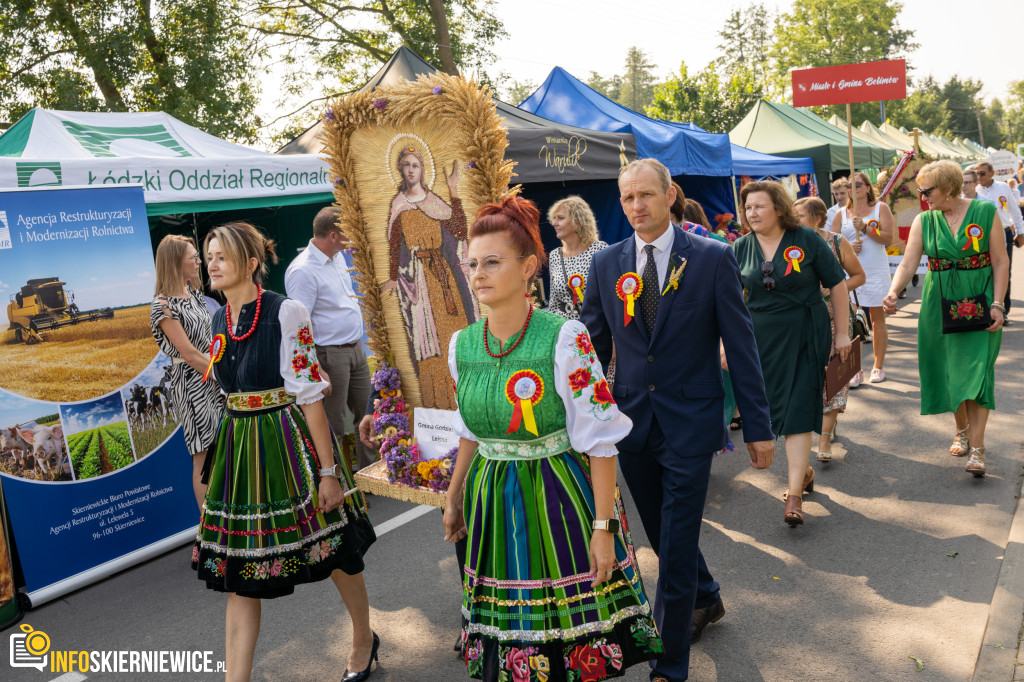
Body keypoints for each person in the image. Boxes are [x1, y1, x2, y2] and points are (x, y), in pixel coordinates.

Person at [443, 196, 662, 681]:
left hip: (557, 496)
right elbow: (469, 430)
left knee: (566, 639)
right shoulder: (462, 345)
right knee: (512, 639)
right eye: (472, 263)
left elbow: (600, 441)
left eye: (492, 262)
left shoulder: (565, 337)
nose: (478, 273)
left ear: (529, 268)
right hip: (490, 499)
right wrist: (454, 495)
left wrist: (603, 528)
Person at [582, 159, 775, 682]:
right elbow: (590, 349)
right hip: (632, 424)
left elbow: (742, 345)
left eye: (646, 195)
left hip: (691, 421)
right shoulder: (607, 264)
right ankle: (707, 596)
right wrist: (575, 418)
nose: (637, 206)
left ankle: (670, 666)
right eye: (627, 198)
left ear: (670, 196)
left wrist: (757, 427)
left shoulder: (712, 258)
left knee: (671, 548)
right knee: (666, 532)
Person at [194, 222, 377, 682]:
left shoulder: (285, 311)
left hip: (288, 440)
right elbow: (223, 383)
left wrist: (329, 472)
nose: (210, 264)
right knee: (240, 574)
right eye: (208, 256)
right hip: (239, 448)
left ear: (252, 264)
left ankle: (362, 638)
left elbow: (311, 397)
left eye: (221, 256)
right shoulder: (218, 318)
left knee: (334, 553)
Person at [735, 181, 851, 525]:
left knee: (799, 409)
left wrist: (842, 333)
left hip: (805, 333)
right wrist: (727, 344)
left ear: (779, 208)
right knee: (773, 411)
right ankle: (805, 471)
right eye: (748, 207)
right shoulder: (739, 248)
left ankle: (794, 495)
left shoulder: (808, 239)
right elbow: (728, 301)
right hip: (760, 340)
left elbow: (838, 283)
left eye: (759, 206)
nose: (752, 213)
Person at [884, 161, 1007, 476]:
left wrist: (997, 304)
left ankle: (977, 449)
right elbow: (908, 261)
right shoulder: (923, 221)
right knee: (950, 372)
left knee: (978, 374)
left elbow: (1000, 261)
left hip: (980, 300)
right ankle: (962, 429)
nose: (923, 197)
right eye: (921, 191)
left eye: (928, 190)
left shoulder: (985, 212)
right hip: (938, 303)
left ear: (949, 187)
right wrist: (894, 291)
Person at [384, 145, 476, 409]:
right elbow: (394, 246)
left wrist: (454, 190)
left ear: (422, 170)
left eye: (415, 165)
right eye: (406, 165)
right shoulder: (398, 205)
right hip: (420, 282)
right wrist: (392, 277)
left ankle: (467, 400)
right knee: (428, 345)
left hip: (444, 279)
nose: (411, 170)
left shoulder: (434, 202)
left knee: (454, 336)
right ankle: (439, 404)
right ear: (400, 170)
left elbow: (459, 229)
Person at [286, 207, 376, 470]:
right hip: (329, 355)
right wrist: (317, 368)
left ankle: (370, 477)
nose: (352, 237)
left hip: (355, 349)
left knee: (368, 414)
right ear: (334, 235)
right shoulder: (302, 271)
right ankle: (339, 487)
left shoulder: (337, 256)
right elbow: (297, 328)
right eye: (347, 232)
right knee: (333, 425)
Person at [150, 235, 225, 508]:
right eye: (193, 257)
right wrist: (226, 375)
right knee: (204, 456)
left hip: (214, 376)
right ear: (173, 262)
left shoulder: (193, 294)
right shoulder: (162, 306)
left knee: (224, 449)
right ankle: (210, 529)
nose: (199, 262)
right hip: (193, 384)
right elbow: (190, 354)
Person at [794, 197, 866, 463]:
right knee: (809, 376)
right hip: (801, 320)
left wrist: (835, 287)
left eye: (799, 215)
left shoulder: (836, 242)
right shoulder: (788, 242)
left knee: (836, 374)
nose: (795, 219)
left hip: (836, 319)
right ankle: (824, 424)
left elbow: (859, 276)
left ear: (817, 218)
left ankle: (824, 438)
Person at [831, 172, 894, 385]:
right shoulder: (841, 213)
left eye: (858, 184)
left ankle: (878, 366)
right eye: (850, 185)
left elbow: (888, 239)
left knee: (877, 320)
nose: (853, 188)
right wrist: (848, 246)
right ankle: (855, 368)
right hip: (851, 272)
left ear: (868, 187)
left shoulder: (880, 209)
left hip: (875, 270)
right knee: (852, 320)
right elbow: (833, 243)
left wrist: (865, 228)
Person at [973, 162, 1024, 322]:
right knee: (982, 272)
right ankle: (984, 309)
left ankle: (1002, 310)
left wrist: (1021, 232)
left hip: (1004, 234)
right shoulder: (974, 189)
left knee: (1003, 272)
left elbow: (1015, 212)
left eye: (982, 173)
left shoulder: (1003, 187)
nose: (979, 177)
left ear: (992, 173)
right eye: (977, 174)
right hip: (980, 237)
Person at [545, 195, 608, 320]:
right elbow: (553, 301)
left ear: (578, 221)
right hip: (564, 328)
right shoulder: (555, 256)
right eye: (554, 218)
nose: (554, 223)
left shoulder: (599, 250)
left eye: (560, 218)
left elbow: (609, 296)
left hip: (593, 325)